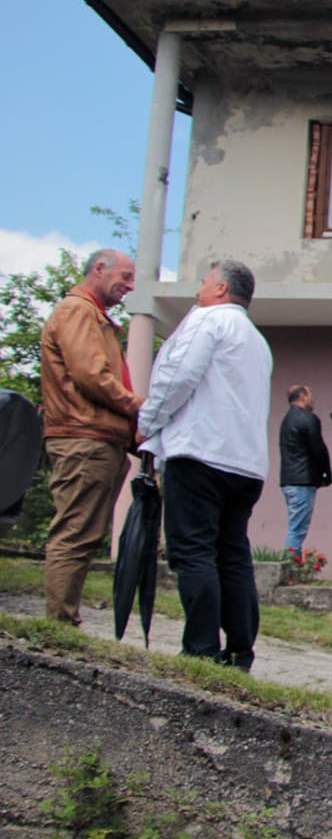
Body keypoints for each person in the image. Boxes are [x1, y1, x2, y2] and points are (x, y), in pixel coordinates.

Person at [137, 260, 272, 669]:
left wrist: (146, 424)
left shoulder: (207, 321)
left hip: (200, 452)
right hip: (245, 462)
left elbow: (177, 377)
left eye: (203, 281)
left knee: (193, 551)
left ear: (220, 289)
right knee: (232, 553)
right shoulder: (257, 340)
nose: (198, 289)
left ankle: (200, 647)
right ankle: (240, 649)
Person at [38, 249, 141, 626]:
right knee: (76, 532)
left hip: (97, 438)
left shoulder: (92, 315)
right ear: (98, 269)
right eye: (125, 277)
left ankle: (64, 618)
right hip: (84, 439)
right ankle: (60, 624)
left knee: (84, 531)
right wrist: (137, 406)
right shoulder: (79, 311)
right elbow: (90, 376)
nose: (129, 287)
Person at [277, 384, 331, 554]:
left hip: (289, 480)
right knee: (297, 529)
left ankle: (292, 567)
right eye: (310, 394)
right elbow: (319, 450)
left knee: (295, 525)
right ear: (302, 396)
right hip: (303, 480)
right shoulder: (308, 419)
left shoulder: (286, 420)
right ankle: (290, 569)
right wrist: (325, 474)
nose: (312, 399)